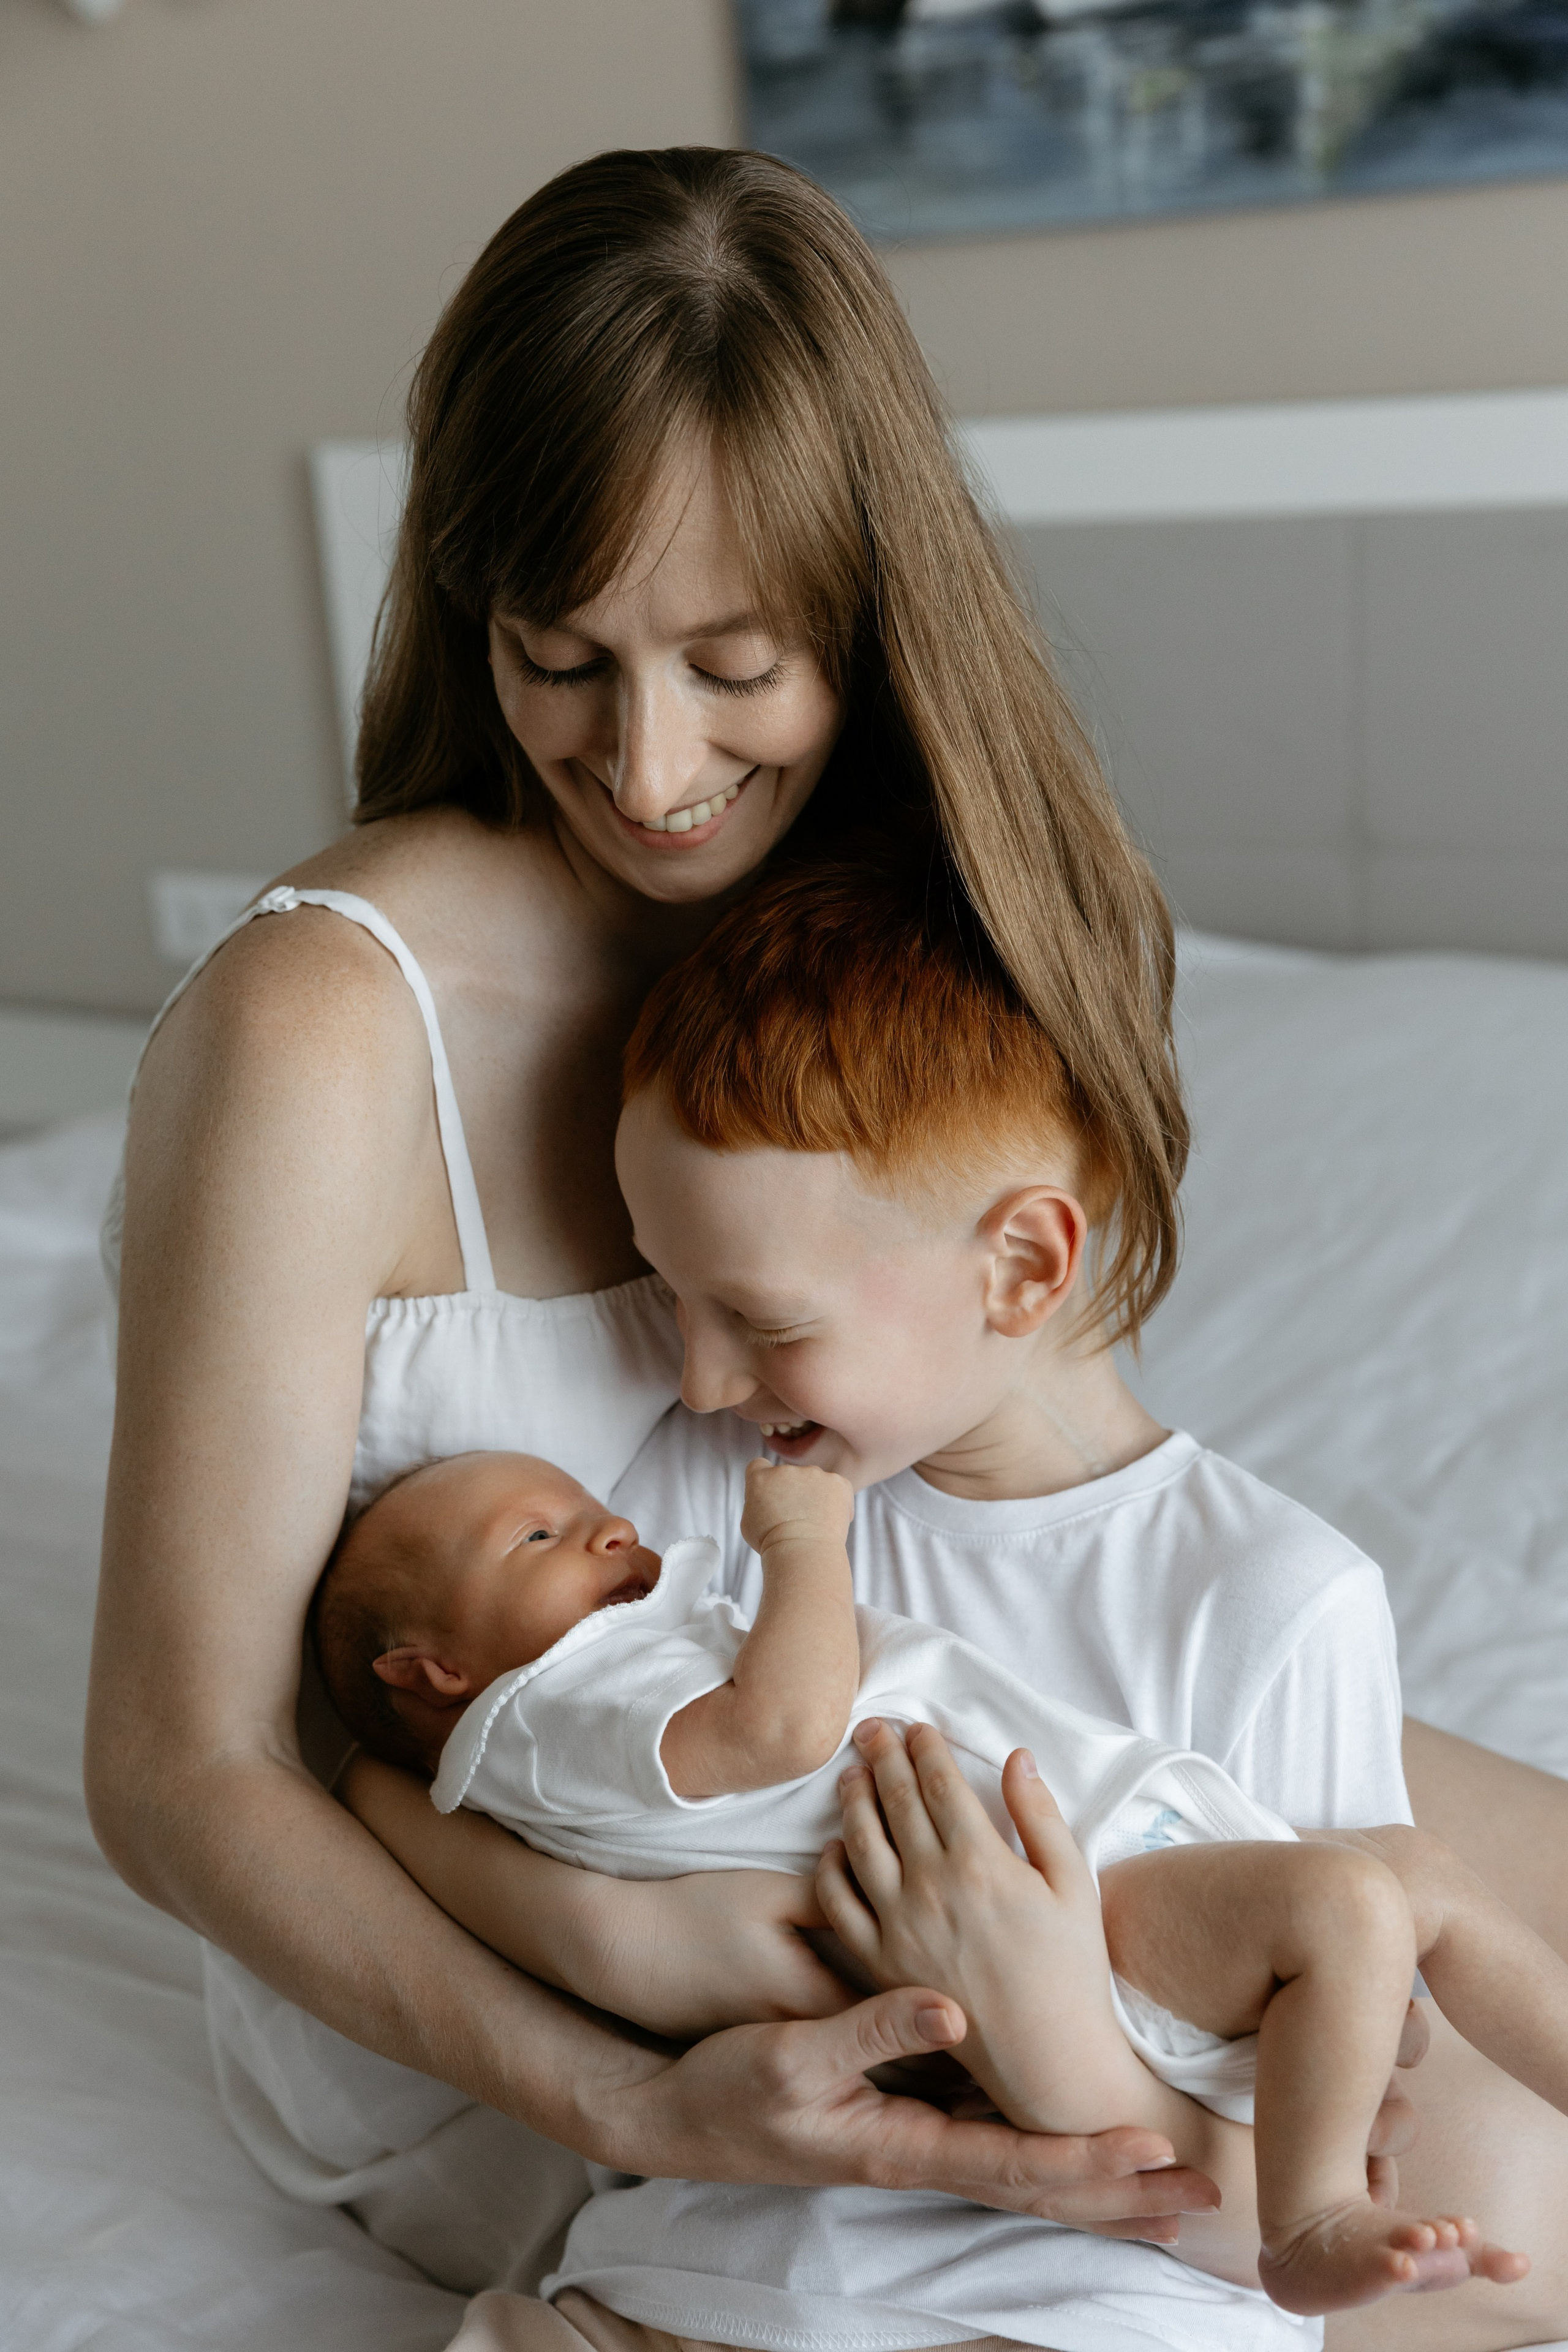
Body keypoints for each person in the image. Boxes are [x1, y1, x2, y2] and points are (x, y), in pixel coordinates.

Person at [81, 140, 1568, 2352]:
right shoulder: (322, 1025)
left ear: (864, 621)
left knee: (1466, 1908)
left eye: (736, 667)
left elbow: (1026, 1439)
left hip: (876, 1729)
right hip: (565, 1918)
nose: (652, 766)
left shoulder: (886, 927)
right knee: (1483, 2201)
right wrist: (640, 2078)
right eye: (558, 659)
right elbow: (179, 1765)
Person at [323, 1443, 1558, 2315]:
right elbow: (782, 1728)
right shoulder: (551, 1708)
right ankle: (1314, 2220)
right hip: (1068, 1917)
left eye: (587, 1505)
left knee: (1411, 1877)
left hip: (1078, 1881)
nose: (604, 1528)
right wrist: (804, 1544)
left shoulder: (602, 1670)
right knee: (1352, 1906)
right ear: (429, 1673)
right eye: (534, 1536)